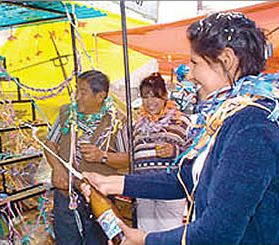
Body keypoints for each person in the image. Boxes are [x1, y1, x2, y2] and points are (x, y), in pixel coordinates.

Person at [81, 12, 279, 245]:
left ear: (227, 60)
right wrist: (114, 183)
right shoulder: (227, 115)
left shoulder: (252, 125)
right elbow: (186, 178)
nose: (191, 74)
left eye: (195, 63)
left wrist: (144, 240)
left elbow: (217, 235)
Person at [45, 70, 129, 245]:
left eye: (83, 92)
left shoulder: (117, 121)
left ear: (100, 96)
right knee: (67, 240)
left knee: (98, 241)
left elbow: (127, 158)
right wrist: (58, 168)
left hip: (99, 198)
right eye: (77, 90)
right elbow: (50, 144)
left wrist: (102, 157)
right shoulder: (66, 114)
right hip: (66, 194)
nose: (77, 96)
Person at [133, 72, 191, 232]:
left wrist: (175, 151)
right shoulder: (137, 125)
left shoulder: (182, 121)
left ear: (165, 96)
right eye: (145, 97)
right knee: (145, 234)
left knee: (168, 233)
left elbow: (195, 153)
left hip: (169, 186)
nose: (150, 102)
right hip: (143, 187)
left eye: (155, 97)